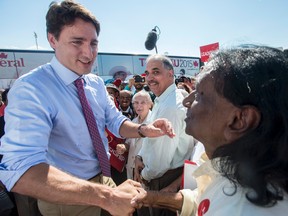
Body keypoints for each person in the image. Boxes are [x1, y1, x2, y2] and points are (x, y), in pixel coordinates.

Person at [0, 1, 175, 216]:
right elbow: (19, 170)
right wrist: (107, 196)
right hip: (67, 197)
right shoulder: (31, 89)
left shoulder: (95, 83)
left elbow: (116, 121)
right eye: (77, 42)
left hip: (104, 181)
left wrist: (143, 129)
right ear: (52, 39)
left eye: (93, 43)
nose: (89, 53)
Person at [133, 46, 288, 215]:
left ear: (239, 121)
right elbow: (205, 199)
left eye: (199, 94)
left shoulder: (241, 210)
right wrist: (152, 198)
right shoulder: (231, 171)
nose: (186, 102)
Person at [134, 54, 195, 216]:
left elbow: (159, 162)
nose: (150, 78)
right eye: (147, 73)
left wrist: (144, 177)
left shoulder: (170, 107)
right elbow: (151, 140)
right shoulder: (164, 100)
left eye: (156, 72)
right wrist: (139, 157)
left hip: (161, 182)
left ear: (170, 74)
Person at [116, 91, 153, 180]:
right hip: (131, 169)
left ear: (150, 104)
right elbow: (129, 143)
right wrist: (123, 147)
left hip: (147, 169)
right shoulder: (133, 122)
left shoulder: (154, 122)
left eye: (143, 102)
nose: (138, 105)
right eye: (136, 102)